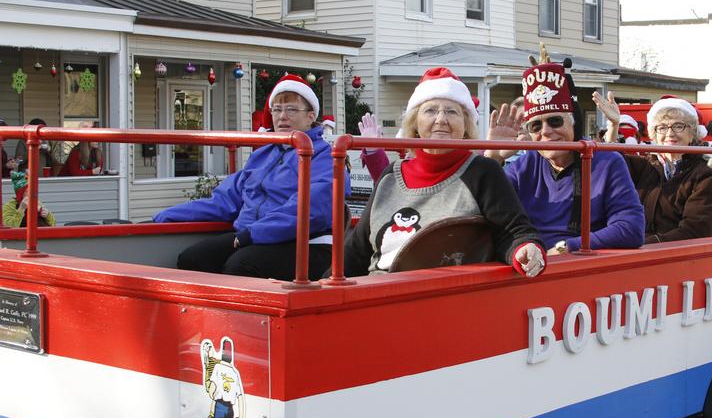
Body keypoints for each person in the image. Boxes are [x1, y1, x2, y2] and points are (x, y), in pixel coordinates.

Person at [343, 67, 545, 277]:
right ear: (415, 124)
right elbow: (356, 251)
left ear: (466, 126)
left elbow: (514, 232)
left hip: (446, 294)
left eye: (451, 111)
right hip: (379, 291)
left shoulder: (482, 171)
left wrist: (525, 248)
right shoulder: (389, 176)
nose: (440, 119)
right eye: (430, 110)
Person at [153, 74, 347, 280]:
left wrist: (252, 234)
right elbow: (225, 200)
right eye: (277, 109)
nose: (282, 116)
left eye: (291, 109)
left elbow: (310, 209)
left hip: (308, 243)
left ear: (310, 116)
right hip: (255, 237)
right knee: (193, 259)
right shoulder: (262, 155)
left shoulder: (325, 157)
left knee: (241, 266)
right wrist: (167, 216)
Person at [488, 51, 645, 253]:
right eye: (535, 126)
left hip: (582, 269)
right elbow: (491, 218)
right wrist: (493, 160)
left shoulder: (607, 162)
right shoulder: (524, 166)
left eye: (555, 121)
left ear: (573, 123)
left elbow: (631, 228)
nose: (545, 131)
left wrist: (566, 247)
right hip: (529, 265)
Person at [593, 92, 712, 243]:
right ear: (654, 134)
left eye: (679, 126)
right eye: (662, 128)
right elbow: (609, 164)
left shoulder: (708, 175)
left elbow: (694, 232)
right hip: (639, 254)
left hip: (685, 259)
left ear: (693, 133)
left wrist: (639, 244)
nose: (670, 133)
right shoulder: (646, 165)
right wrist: (614, 126)